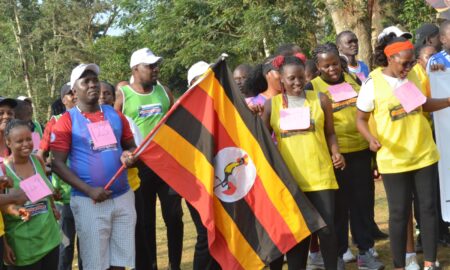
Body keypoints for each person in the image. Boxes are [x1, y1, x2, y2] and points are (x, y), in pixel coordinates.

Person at [356, 35, 449, 270]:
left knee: (427, 209)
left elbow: (423, 104)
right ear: (390, 58)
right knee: (398, 213)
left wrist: (448, 100)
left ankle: (430, 262)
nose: (408, 68)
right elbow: (360, 119)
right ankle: (399, 265)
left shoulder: (415, 74)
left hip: (423, 154)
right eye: (404, 64)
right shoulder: (372, 82)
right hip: (394, 159)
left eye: (411, 63)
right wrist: (370, 138)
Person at [51, 63, 137, 270]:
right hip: (89, 201)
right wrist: (89, 190)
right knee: (96, 264)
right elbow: (56, 164)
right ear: (74, 90)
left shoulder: (115, 114)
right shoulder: (66, 121)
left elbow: (131, 147)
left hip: (123, 196)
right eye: (86, 81)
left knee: (121, 261)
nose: (92, 85)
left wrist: (129, 155)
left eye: (95, 80)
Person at [262, 55, 345, 270]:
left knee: (327, 231)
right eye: (291, 79)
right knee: (298, 235)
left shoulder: (320, 99)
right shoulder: (272, 105)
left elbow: (330, 134)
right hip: (291, 181)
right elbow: (260, 139)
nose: (297, 83)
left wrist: (336, 153)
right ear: (281, 79)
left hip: (320, 177)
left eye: (301, 78)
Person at [305, 43, 383, 270]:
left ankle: (365, 253)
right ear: (318, 67)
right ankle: (338, 255)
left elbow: (367, 112)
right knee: (338, 209)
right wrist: (332, 151)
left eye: (335, 64)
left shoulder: (353, 81)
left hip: (361, 153)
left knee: (363, 205)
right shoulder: (312, 87)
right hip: (336, 158)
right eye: (326, 65)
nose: (332, 69)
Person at [114, 48, 183, 270]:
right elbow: (114, 130)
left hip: (167, 165)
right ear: (135, 69)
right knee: (145, 222)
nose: (155, 69)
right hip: (140, 168)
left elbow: (176, 121)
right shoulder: (123, 96)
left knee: (174, 216)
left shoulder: (164, 91)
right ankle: (150, 265)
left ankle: (175, 265)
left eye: (156, 65)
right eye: (150, 66)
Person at [3, 119, 61, 269]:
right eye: (19, 141)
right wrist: (4, 245)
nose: (26, 144)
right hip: (24, 247)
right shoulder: (3, 172)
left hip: (50, 239)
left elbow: (46, 190)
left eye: (29, 139)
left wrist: (53, 206)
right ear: (8, 142)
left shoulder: (37, 161)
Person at [37, 83, 81, 270]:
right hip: (63, 197)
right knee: (65, 246)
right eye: (71, 94)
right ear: (63, 100)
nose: (75, 96)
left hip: (90, 195)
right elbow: (40, 156)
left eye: (76, 92)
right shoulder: (54, 122)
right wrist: (46, 187)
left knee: (90, 247)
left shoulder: (90, 118)